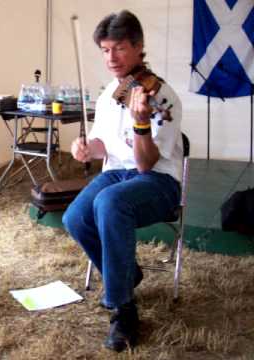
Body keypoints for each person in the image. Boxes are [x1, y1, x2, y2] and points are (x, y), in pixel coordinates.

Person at [62, 10, 183, 352]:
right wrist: (85, 150)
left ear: (138, 47)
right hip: (117, 173)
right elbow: (104, 145)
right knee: (75, 217)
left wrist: (142, 124)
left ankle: (123, 309)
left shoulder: (161, 96)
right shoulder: (108, 95)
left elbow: (146, 164)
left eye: (119, 48)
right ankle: (129, 274)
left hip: (158, 182)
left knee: (109, 203)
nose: (111, 58)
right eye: (104, 50)